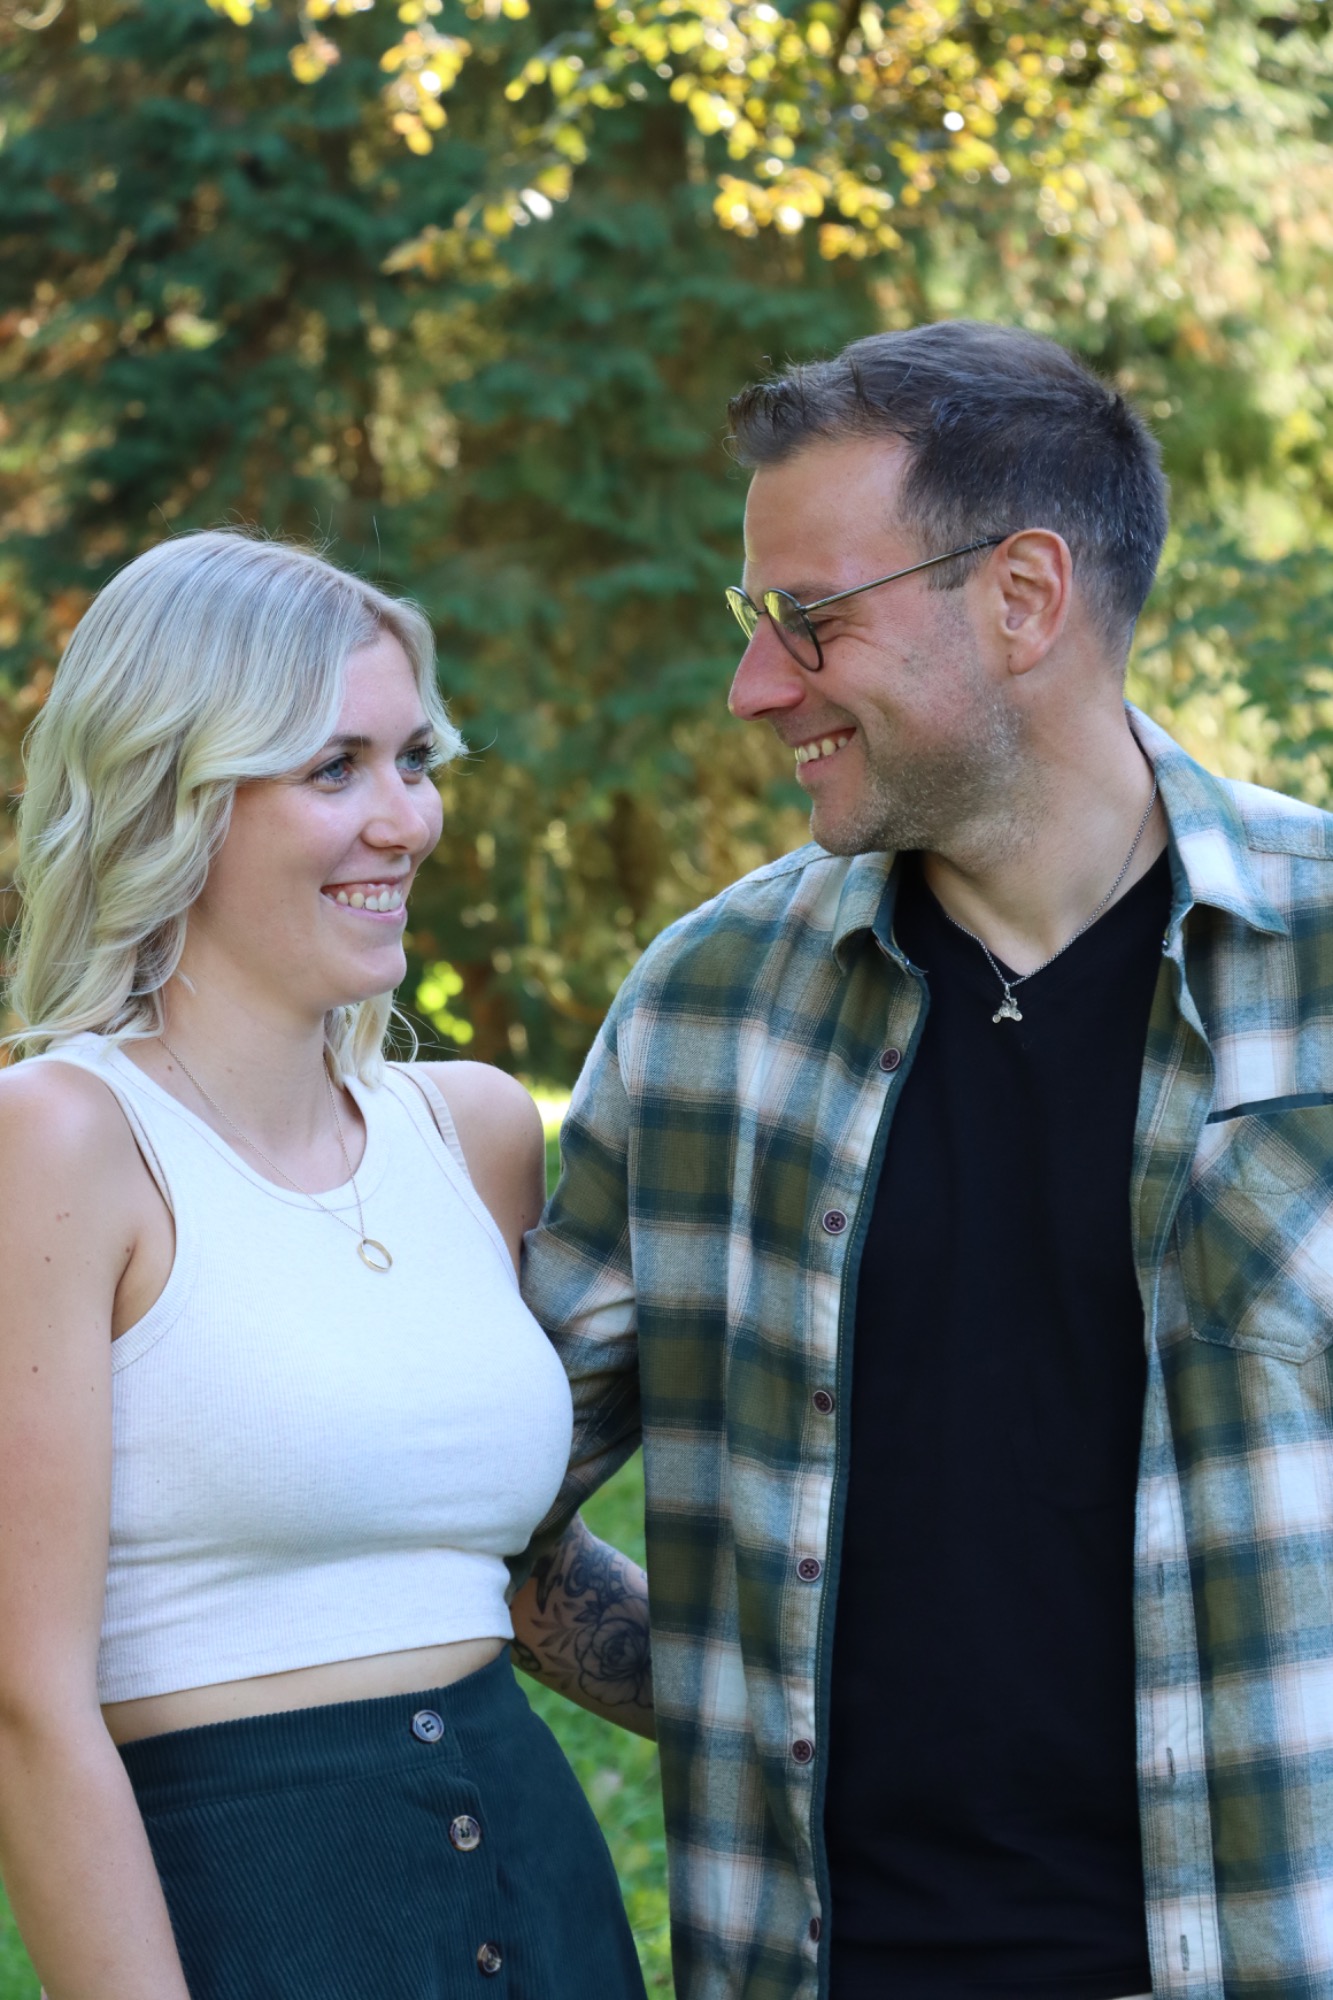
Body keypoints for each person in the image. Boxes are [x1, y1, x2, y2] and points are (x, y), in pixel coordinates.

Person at [522, 317, 1333, 1999]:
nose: (756, 687)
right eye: (755, 624)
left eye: (810, 620)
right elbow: (475, 1493)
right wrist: (753, 1694)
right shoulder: (706, 1010)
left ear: (1022, 598)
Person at [0, 529, 651, 2000]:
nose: (405, 819)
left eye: (414, 759)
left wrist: (856, 1699)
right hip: (261, 1919)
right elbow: (29, 1706)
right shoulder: (62, 1143)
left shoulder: (474, 1132)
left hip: (551, 1906)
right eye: (333, 769)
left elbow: (518, 1577)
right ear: (174, 792)